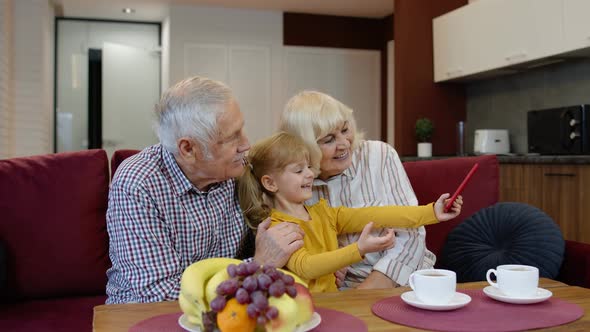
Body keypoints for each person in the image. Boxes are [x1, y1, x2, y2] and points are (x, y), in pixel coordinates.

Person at [105, 76, 304, 304]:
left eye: (242, 129)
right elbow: (160, 294)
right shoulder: (138, 184)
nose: (246, 144)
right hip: (150, 314)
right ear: (188, 148)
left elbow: (274, 228)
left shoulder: (233, 170)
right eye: (232, 137)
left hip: (229, 305)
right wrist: (257, 266)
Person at [238, 132, 463, 292]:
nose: (309, 174)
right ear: (270, 183)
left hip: (333, 305)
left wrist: (432, 212)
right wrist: (359, 249)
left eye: (308, 167)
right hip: (303, 313)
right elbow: (306, 267)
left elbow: (379, 215)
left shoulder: (324, 213)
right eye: (298, 170)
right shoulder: (278, 229)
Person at [280, 91, 436, 290]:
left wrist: (367, 291)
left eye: (345, 129)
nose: (344, 144)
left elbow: (412, 235)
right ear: (304, 147)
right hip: (337, 291)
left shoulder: (379, 155)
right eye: (329, 140)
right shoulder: (292, 183)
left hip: (405, 278)